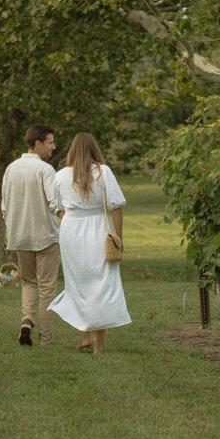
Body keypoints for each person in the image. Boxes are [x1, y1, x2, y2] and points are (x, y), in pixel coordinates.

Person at [47, 133, 131, 354]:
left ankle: (86, 336)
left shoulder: (61, 175)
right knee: (101, 283)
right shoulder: (104, 172)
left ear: (72, 151)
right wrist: (118, 238)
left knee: (78, 282)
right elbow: (116, 206)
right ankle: (97, 347)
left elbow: (58, 208)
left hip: (71, 229)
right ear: (94, 149)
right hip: (97, 228)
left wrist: (70, 223)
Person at [1, 124, 62, 346]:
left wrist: (12, 236)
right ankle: (45, 339)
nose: (53, 147)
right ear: (38, 144)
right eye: (50, 142)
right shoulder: (45, 170)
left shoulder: (11, 169)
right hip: (45, 236)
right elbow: (55, 203)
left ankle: (27, 320)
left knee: (28, 282)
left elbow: (5, 206)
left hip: (21, 237)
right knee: (47, 289)